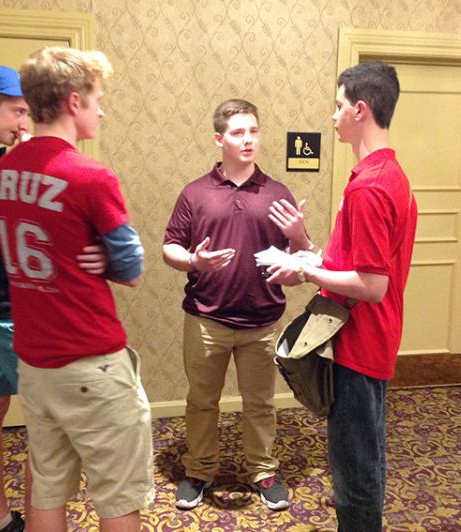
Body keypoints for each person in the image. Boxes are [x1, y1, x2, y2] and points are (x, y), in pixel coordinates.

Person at [0, 47, 154, 532]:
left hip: (35, 362)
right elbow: (132, 267)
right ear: (74, 101)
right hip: (90, 363)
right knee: (117, 497)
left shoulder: (1, 174)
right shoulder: (89, 174)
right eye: (98, 99)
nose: (101, 110)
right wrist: (106, 258)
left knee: (47, 485)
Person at [0, 66, 109, 532]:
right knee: (54, 428)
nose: (24, 124)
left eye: (28, 114)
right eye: (16, 112)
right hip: (7, 312)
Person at [266, 61, 418, 531]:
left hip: (359, 343)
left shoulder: (370, 188)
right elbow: (354, 265)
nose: (332, 117)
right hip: (372, 338)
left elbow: (373, 285)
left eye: (337, 106)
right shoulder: (388, 175)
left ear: (360, 109)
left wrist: (307, 270)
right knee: (363, 457)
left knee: (355, 471)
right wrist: (306, 255)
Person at [163, 99, 310, 512]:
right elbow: (168, 247)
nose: (247, 140)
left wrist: (298, 238)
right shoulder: (195, 193)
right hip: (206, 317)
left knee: (261, 403)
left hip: (262, 320)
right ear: (219, 139)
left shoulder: (278, 193)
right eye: (238, 132)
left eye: (253, 131)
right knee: (202, 401)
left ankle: (262, 471)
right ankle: (199, 470)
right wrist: (193, 260)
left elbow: (303, 258)